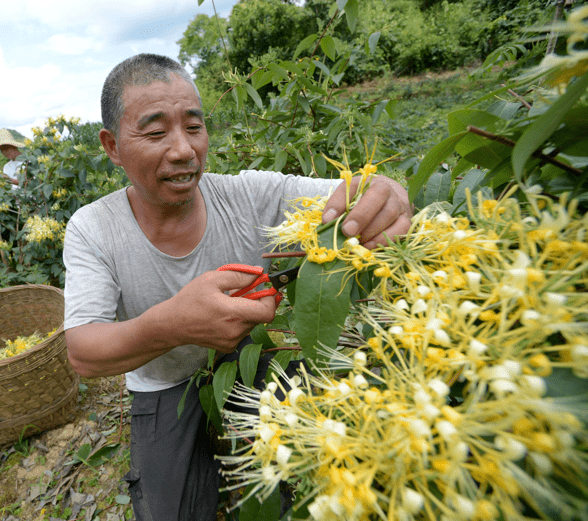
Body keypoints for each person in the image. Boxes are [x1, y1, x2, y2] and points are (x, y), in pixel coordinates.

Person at [62, 53, 413, 520]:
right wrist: (175, 324)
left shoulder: (248, 195)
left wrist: (382, 192)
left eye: (194, 126)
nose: (184, 149)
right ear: (112, 146)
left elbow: (346, 195)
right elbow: (83, 350)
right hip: (163, 381)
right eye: (154, 131)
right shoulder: (93, 228)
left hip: (257, 352)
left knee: (310, 463)